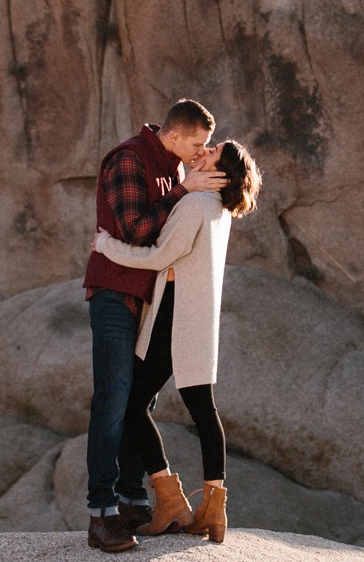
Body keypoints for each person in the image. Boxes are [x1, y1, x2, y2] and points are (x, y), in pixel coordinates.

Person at [93, 139, 262, 545]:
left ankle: (169, 497)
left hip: (173, 314)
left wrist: (105, 245)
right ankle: (214, 507)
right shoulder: (220, 210)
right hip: (195, 319)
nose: (201, 153)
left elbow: (157, 256)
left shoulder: (197, 204)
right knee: (203, 408)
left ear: (221, 172)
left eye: (212, 151)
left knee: (132, 405)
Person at [83, 99, 227, 553]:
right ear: (178, 135)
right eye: (198, 144)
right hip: (113, 296)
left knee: (134, 401)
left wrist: (186, 188)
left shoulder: (174, 170)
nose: (200, 152)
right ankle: (101, 514)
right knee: (112, 402)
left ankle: (132, 501)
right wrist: (183, 192)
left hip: (145, 302)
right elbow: (130, 230)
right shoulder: (131, 158)